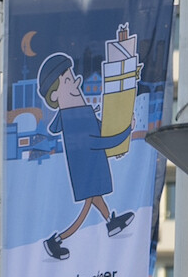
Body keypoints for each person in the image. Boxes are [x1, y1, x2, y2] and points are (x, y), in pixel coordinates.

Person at [37, 54, 134, 261]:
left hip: (88, 168)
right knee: (87, 205)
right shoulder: (75, 119)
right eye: (69, 80)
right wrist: (125, 132)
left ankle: (110, 222)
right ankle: (56, 240)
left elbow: (99, 131)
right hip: (87, 170)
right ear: (55, 96)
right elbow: (97, 140)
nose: (77, 83)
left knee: (95, 199)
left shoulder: (76, 115)